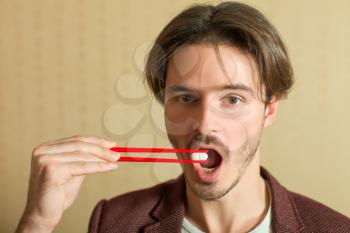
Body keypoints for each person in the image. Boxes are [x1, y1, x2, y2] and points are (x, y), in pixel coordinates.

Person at [16, 2, 350, 233]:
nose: (204, 124)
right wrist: (37, 223)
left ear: (269, 109)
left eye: (232, 99)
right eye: (186, 98)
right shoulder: (115, 222)